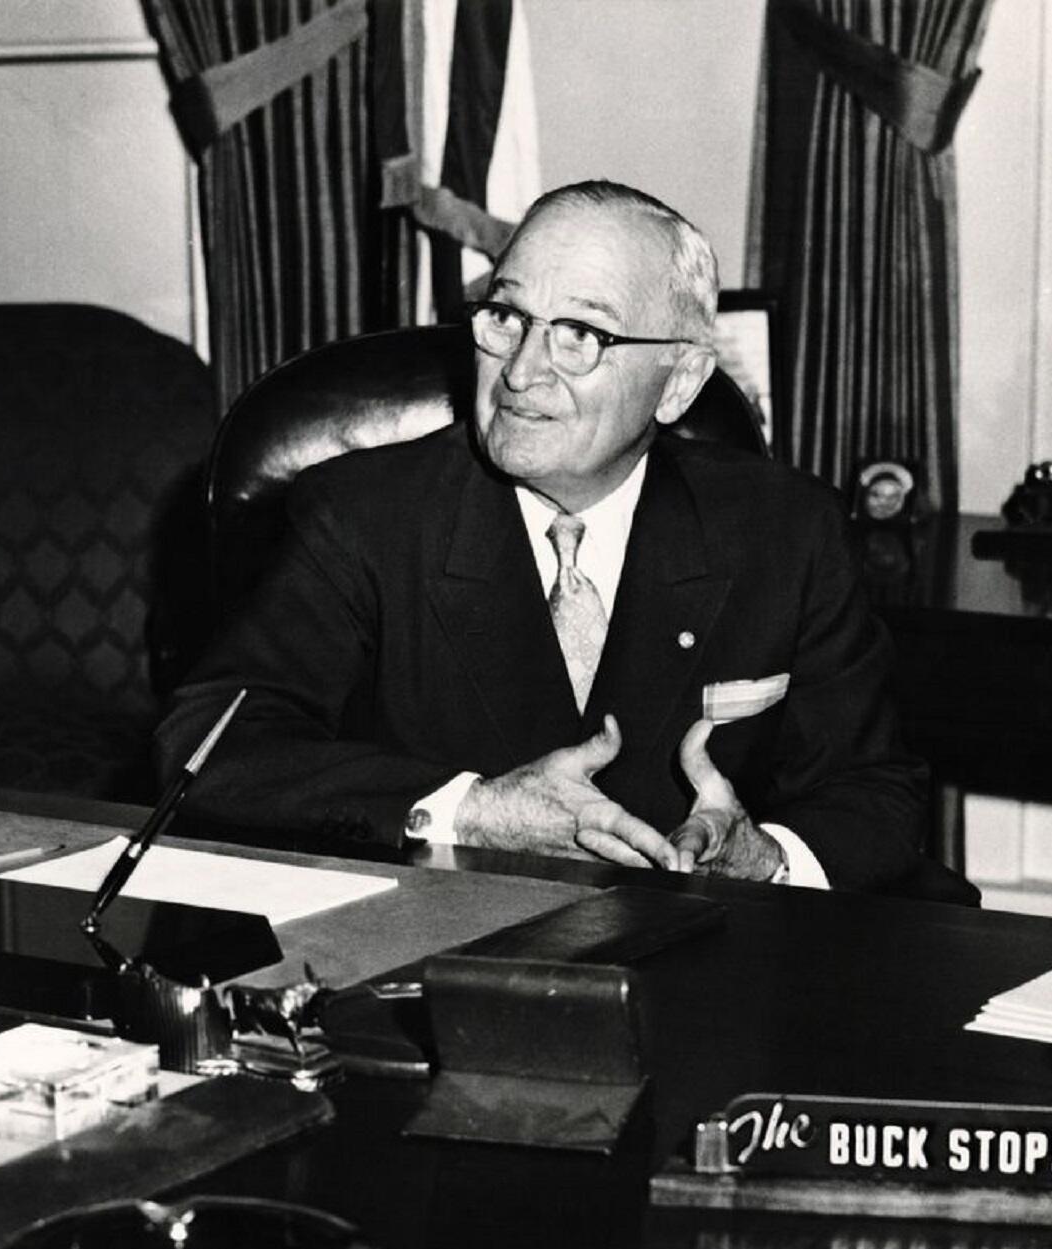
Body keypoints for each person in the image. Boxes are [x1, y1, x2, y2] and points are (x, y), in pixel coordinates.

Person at [155, 180, 926, 891]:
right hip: (438, 958)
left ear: (681, 380)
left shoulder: (788, 530)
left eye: (581, 334)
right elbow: (207, 747)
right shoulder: (362, 514)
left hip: (700, 967)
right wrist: (470, 812)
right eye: (508, 318)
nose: (522, 371)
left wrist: (765, 860)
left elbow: (875, 794)